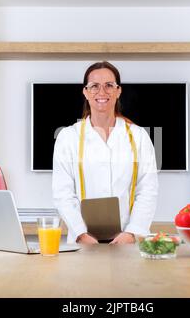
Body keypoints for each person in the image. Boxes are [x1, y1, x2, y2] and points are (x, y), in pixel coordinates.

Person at [52, 61, 158, 244]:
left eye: (109, 85)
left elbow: (148, 190)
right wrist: (81, 234)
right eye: (94, 86)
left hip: (128, 241)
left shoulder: (139, 137)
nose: (102, 92)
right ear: (85, 92)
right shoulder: (68, 137)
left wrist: (132, 233)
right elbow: (63, 193)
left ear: (118, 91)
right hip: (83, 243)